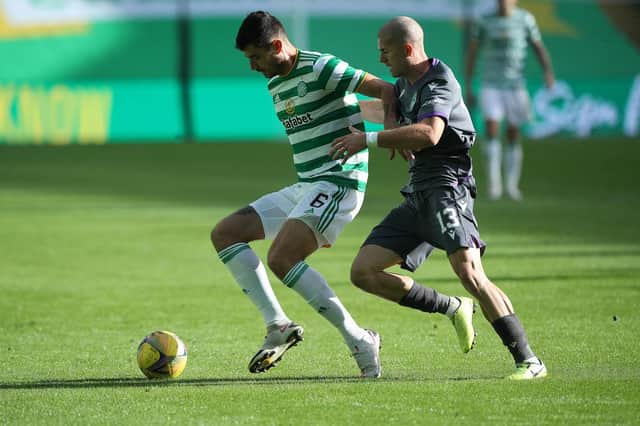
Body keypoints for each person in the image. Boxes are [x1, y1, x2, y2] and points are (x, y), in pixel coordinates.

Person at [330, 16, 547, 380]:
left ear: (408, 49)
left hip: (449, 188)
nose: (381, 59)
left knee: (471, 273)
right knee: (363, 272)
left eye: (385, 51)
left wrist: (366, 140)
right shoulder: (403, 85)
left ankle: (529, 361)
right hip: (417, 193)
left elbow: (431, 133)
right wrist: (329, 111)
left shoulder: (440, 80)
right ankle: (451, 307)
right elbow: (376, 109)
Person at [211, 10, 397, 378]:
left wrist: (390, 132)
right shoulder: (276, 82)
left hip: (339, 182)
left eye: (256, 57)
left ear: (277, 45)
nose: (253, 67)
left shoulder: (322, 67)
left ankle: (360, 341)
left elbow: (386, 89)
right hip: (307, 184)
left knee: (282, 257)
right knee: (225, 233)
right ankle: (278, 325)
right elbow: (348, 110)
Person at [465, 0, 555, 200]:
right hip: (491, 83)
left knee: (513, 132)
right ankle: (494, 185)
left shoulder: (525, 19)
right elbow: (472, 52)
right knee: (491, 127)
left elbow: (537, 46)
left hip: (515, 85)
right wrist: (469, 83)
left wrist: (548, 72)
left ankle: (512, 185)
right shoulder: (484, 21)